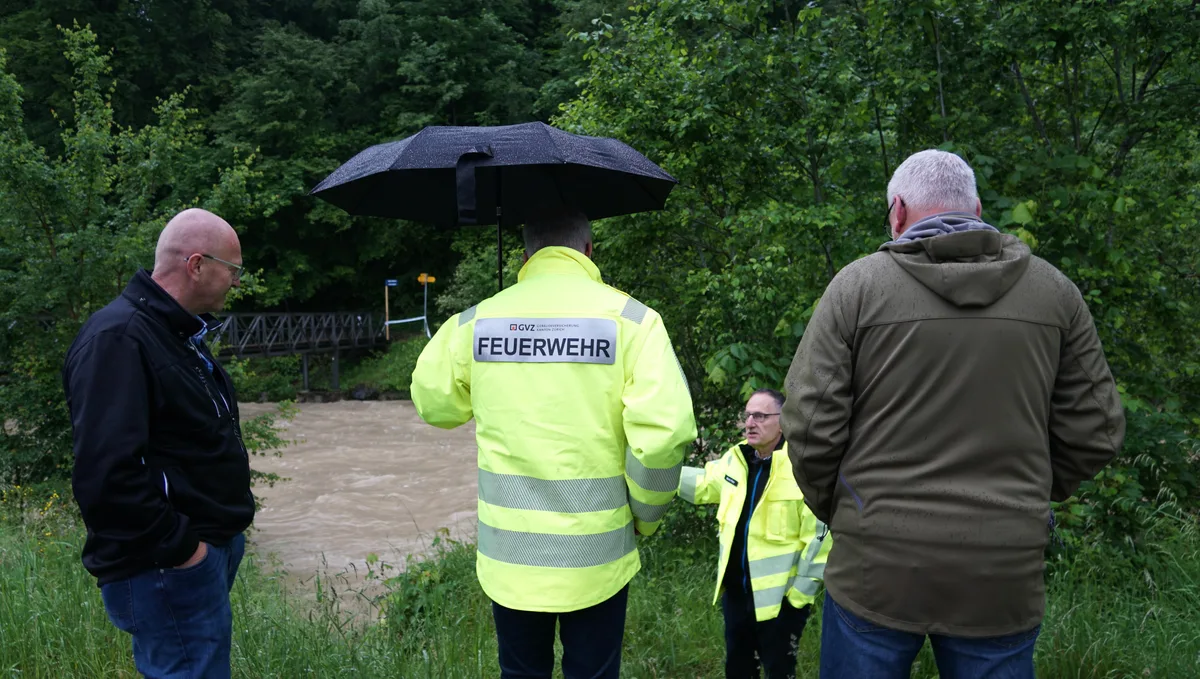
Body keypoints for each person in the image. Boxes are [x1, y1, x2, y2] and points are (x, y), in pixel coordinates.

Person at [781, 149, 1125, 679]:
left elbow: (808, 424)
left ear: (897, 212)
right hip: (1001, 569)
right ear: (979, 209)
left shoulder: (858, 288)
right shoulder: (1055, 294)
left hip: (877, 565)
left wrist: (845, 510)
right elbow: (1098, 431)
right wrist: (1024, 498)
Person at [410, 209, 697, 679]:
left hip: (511, 563)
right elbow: (664, 437)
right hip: (598, 559)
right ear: (588, 250)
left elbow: (433, 403)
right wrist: (645, 518)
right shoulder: (634, 322)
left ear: (524, 256)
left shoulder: (476, 322)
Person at [62, 208, 252, 679]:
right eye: (233, 269)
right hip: (168, 564)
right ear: (196, 264)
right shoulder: (120, 338)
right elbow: (106, 475)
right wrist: (183, 549)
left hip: (195, 555)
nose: (236, 282)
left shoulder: (175, 331)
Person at [678, 389, 830, 679]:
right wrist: (660, 474)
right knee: (738, 668)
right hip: (736, 596)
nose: (750, 422)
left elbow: (819, 540)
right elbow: (704, 485)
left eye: (760, 416)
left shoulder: (803, 468)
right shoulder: (737, 459)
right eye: (747, 415)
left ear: (783, 421)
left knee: (779, 671)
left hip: (779, 604)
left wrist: (798, 600)